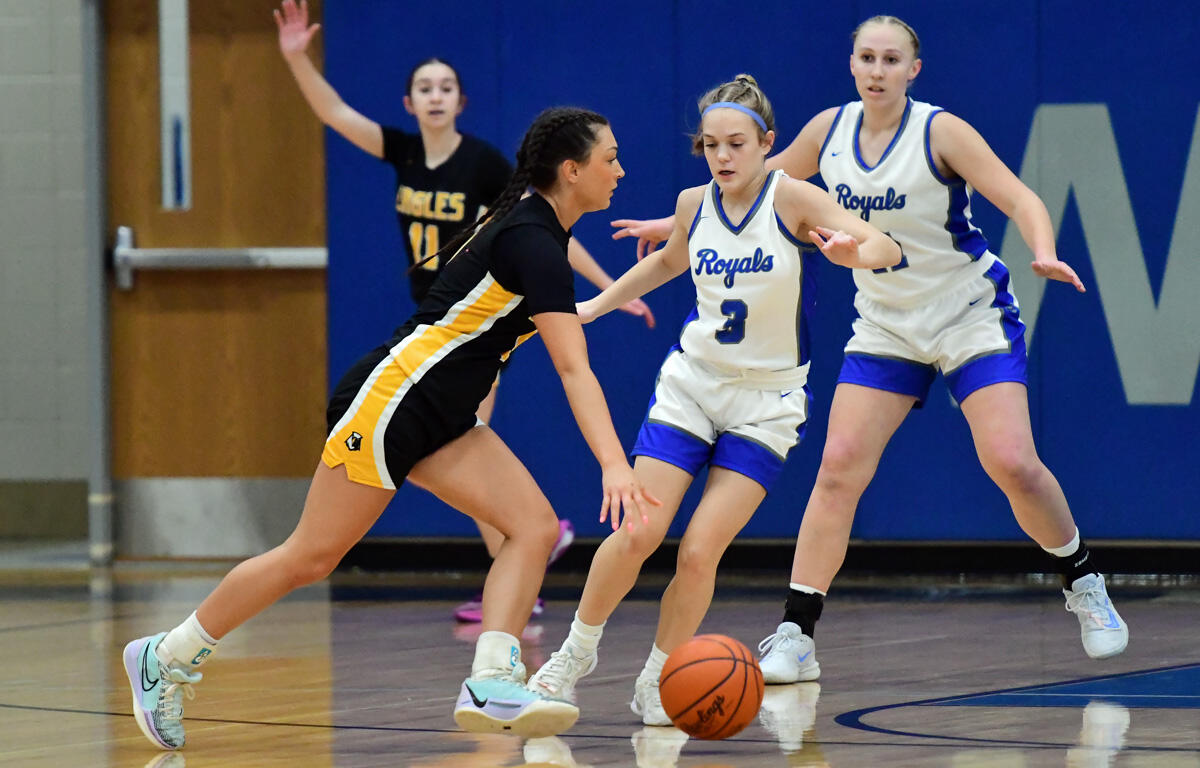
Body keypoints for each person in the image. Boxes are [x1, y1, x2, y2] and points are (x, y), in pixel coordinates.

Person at [121, 105, 661, 750]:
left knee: (533, 528)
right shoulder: (532, 241)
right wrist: (613, 464)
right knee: (310, 556)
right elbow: (574, 369)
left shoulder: (536, 234)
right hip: (393, 403)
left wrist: (623, 289)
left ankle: (491, 679)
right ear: (572, 170)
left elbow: (560, 319)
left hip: (445, 415)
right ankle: (165, 655)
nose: (619, 171)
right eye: (610, 159)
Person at [610, 15, 1129, 683]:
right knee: (837, 469)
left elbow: (1020, 196)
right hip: (886, 323)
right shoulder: (828, 131)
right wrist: (675, 221)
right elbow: (748, 182)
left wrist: (1044, 250)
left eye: (890, 59)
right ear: (852, 64)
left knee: (1011, 462)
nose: (877, 70)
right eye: (867, 58)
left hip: (967, 312)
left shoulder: (940, 132)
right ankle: (797, 633)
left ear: (914, 70)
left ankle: (1082, 580)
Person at [524, 75, 901, 726]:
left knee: (700, 551)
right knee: (639, 531)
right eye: (710, 145)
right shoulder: (694, 203)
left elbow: (886, 245)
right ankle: (571, 658)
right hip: (692, 388)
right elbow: (668, 262)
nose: (722, 157)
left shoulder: (793, 198)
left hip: (767, 403)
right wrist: (596, 305)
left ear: (767, 143)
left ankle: (657, 677)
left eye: (736, 144)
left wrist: (853, 253)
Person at [273, 0, 655, 622]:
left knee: (493, 477)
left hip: (478, 330)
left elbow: (549, 237)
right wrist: (296, 58)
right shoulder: (404, 153)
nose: (435, 96)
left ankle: (516, 569)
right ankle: (519, 560)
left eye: (445, 86)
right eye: (424, 87)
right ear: (409, 102)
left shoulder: (483, 167)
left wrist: (609, 287)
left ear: (460, 101)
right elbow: (335, 113)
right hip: (435, 336)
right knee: (335, 541)